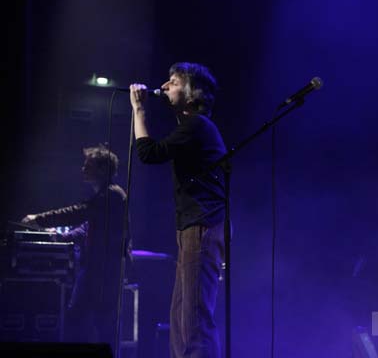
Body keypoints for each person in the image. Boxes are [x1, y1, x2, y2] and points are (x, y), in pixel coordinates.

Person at [129, 62, 226, 358]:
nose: (166, 85)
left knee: (194, 319)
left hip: (202, 225)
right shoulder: (191, 128)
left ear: (194, 92)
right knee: (182, 317)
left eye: (174, 81)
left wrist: (139, 110)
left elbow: (149, 153)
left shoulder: (197, 126)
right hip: (192, 226)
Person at [21, 144, 128, 348]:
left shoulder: (111, 195)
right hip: (95, 271)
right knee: (81, 321)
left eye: (88, 166)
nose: (82, 169)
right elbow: (86, 227)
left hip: (103, 273)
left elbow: (78, 212)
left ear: (103, 170)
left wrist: (39, 219)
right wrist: (62, 236)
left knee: (93, 324)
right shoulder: (105, 195)